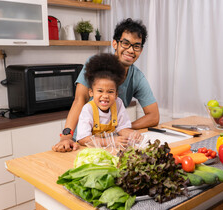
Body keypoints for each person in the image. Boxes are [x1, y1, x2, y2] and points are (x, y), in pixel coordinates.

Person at [52, 18, 159, 152]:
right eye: (125, 43)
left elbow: (154, 116)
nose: (131, 50)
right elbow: (79, 100)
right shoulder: (95, 64)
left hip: (111, 142)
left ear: (141, 50)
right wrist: (66, 136)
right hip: (84, 141)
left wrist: (123, 128)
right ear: (115, 43)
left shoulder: (137, 76)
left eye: (136, 46)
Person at [76, 53, 134, 146]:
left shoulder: (118, 103)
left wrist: (132, 134)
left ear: (116, 94)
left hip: (111, 149)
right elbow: (83, 139)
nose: (105, 96)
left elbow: (122, 128)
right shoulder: (88, 109)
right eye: (100, 91)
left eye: (110, 92)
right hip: (93, 152)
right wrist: (110, 141)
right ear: (91, 92)